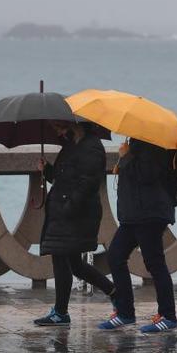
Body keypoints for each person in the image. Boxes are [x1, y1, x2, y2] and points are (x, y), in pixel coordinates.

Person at [33, 121, 116, 326]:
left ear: (74, 125)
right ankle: (115, 292)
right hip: (63, 213)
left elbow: (88, 183)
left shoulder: (92, 147)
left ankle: (61, 312)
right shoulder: (70, 146)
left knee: (62, 260)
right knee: (75, 265)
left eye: (59, 126)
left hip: (76, 215)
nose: (56, 130)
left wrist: (69, 207)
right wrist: (48, 170)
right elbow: (64, 180)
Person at [99, 138, 177, 332]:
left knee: (155, 263)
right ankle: (125, 312)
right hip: (134, 215)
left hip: (149, 214)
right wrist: (126, 157)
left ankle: (168, 316)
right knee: (116, 256)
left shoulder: (154, 144)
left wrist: (125, 158)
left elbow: (147, 175)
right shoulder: (136, 143)